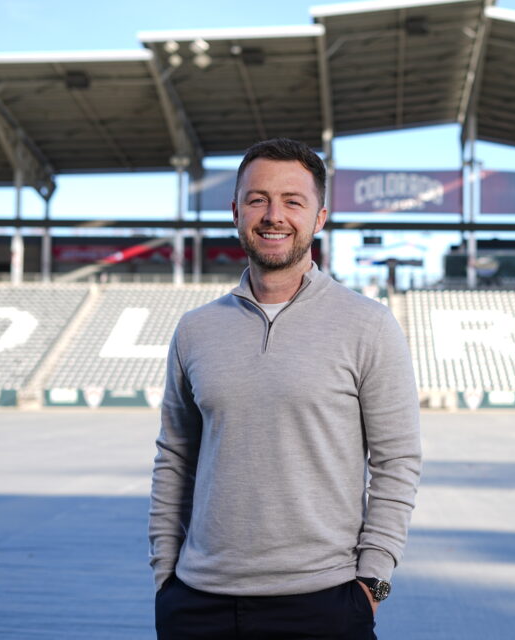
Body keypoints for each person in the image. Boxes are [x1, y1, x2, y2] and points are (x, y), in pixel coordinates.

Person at [149, 137, 422, 639]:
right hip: (197, 603)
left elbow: (397, 461)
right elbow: (175, 456)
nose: (274, 215)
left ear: (319, 218)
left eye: (293, 201)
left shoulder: (369, 325)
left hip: (324, 602)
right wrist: (165, 576)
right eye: (258, 199)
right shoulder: (195, 329)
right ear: (236, 212)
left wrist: (373, 584)